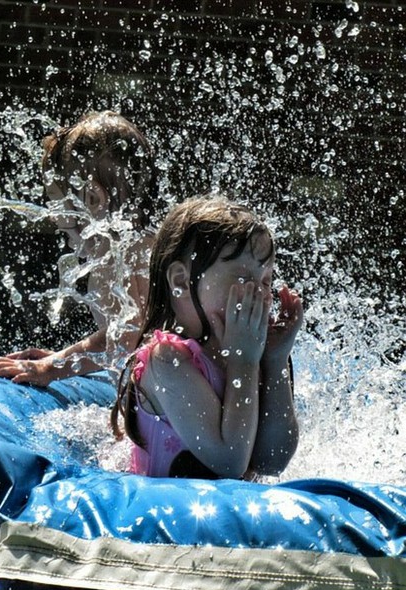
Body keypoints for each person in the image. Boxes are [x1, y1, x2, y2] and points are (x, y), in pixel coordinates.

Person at [111, 195, 303, 480]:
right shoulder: (167, 361)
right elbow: (230, 462)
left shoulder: (248, 351)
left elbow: (273, 462)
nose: (260, 294)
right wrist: (244, 363)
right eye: (243, 280)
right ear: (180, 282)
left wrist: (274, 362)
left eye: (265, 282)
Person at [0, 110, 159, 386]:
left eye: (55, 201)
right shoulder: (151, 244)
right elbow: (136, 343)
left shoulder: (111, 259)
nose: (53, 217)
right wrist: (70, 358)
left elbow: (123, 337)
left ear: (92, 197)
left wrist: (50, 367)